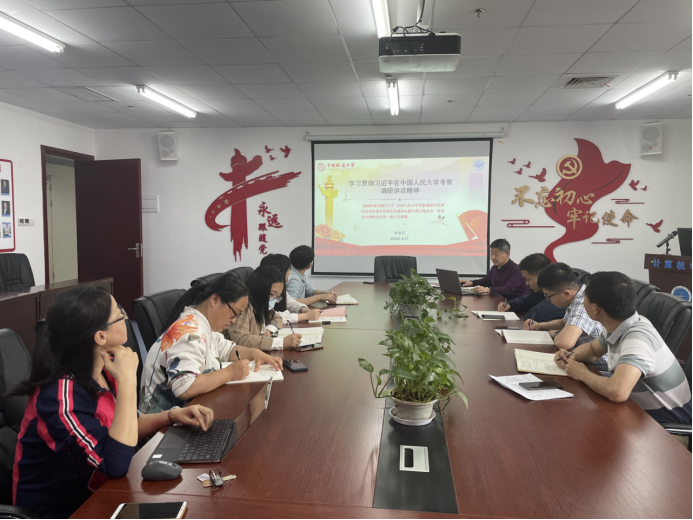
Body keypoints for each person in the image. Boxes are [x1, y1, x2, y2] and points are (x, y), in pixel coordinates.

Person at [11, 286, 214, 518]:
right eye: (120, 314)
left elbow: (126, 428)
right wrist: (127, 380)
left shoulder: (106, 369)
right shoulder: (60, 396)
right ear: (100, 336)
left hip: (102, 494)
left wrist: (171, 415)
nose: (125, 317)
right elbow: (114, 465)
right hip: (66, 510)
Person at [554, 272, 692, 447]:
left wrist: (581, 373)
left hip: (667, 433)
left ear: (596, 309)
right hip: (637, 416)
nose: (582, 302)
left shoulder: (637, 339)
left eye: (584, 299)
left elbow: (617, 391)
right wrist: (570, 356)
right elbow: (593, 349)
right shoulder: (620, 325)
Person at [139, 273, 282, 414]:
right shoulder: (189, 333)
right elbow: (184, 387)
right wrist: (230, 373)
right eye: (235, 313)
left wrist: (255, 353)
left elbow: (228, 349)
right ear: (215, 300)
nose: (234, 320)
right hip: (165, 422)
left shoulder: (205, 326)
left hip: (191, 409)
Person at [525, 263, 605, 367]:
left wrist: (554, 333)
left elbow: (565, 343)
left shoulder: (583, 304)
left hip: (597, 368)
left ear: (566, 293)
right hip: (580, 358)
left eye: (548, 296)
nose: (547, 300)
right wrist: (540, 326)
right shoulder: (578, 294)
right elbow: (564, 322)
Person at [228, 265, 305, 351]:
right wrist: (281, 342)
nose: (274, 299)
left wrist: (269, 329)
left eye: (278, 296)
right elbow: (241, 340)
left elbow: (277, 318)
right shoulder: (242, 306)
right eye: (272, 294)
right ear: (260, 289)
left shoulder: (262, 304)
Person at [498, 253, 565, 322]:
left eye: (528, 279)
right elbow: (526, 300)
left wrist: (529, 312)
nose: (526, 283)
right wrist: (510, 305)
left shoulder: (558, 293)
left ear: (541, 276)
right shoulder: (539, 291)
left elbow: (535, 315)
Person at [461, 239, 530, 300]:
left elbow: (508, 288)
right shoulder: (494, 267)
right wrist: (472, 282)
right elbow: (487, 281)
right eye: (491, 254)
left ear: (507, 253)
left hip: (516, 306)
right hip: (498, 302)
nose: (493, 257)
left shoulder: (517, 270)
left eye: (496, 254)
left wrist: (488, 290)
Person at [260, 253, 321, 321]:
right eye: (289, 270)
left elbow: (290, 303)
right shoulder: (260, 290)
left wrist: (303, 309)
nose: (289, 274)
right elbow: (270, 317)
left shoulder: (279, 288)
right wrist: (304, 316)